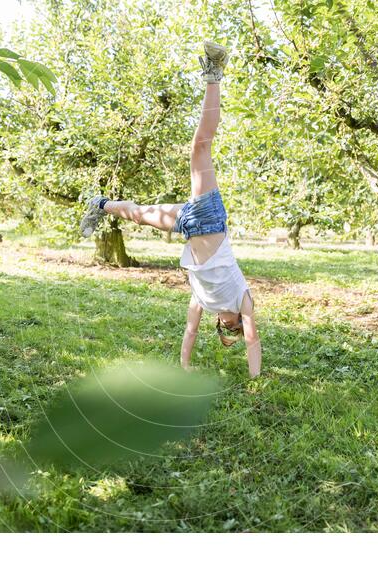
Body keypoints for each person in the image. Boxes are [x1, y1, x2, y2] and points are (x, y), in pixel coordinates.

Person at [79, 41, 261, 378]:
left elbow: (190, 332)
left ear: (221, 325)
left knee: (136, 213)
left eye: (229, 329)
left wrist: (184, 367)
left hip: (188, 225)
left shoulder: (203, 302)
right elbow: (253, 340)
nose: (233, 326)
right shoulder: (242, 301)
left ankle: (99, 204)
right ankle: (214, 73)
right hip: (209, 219)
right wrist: (255, 379)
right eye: (235, 328)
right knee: (199, 148)